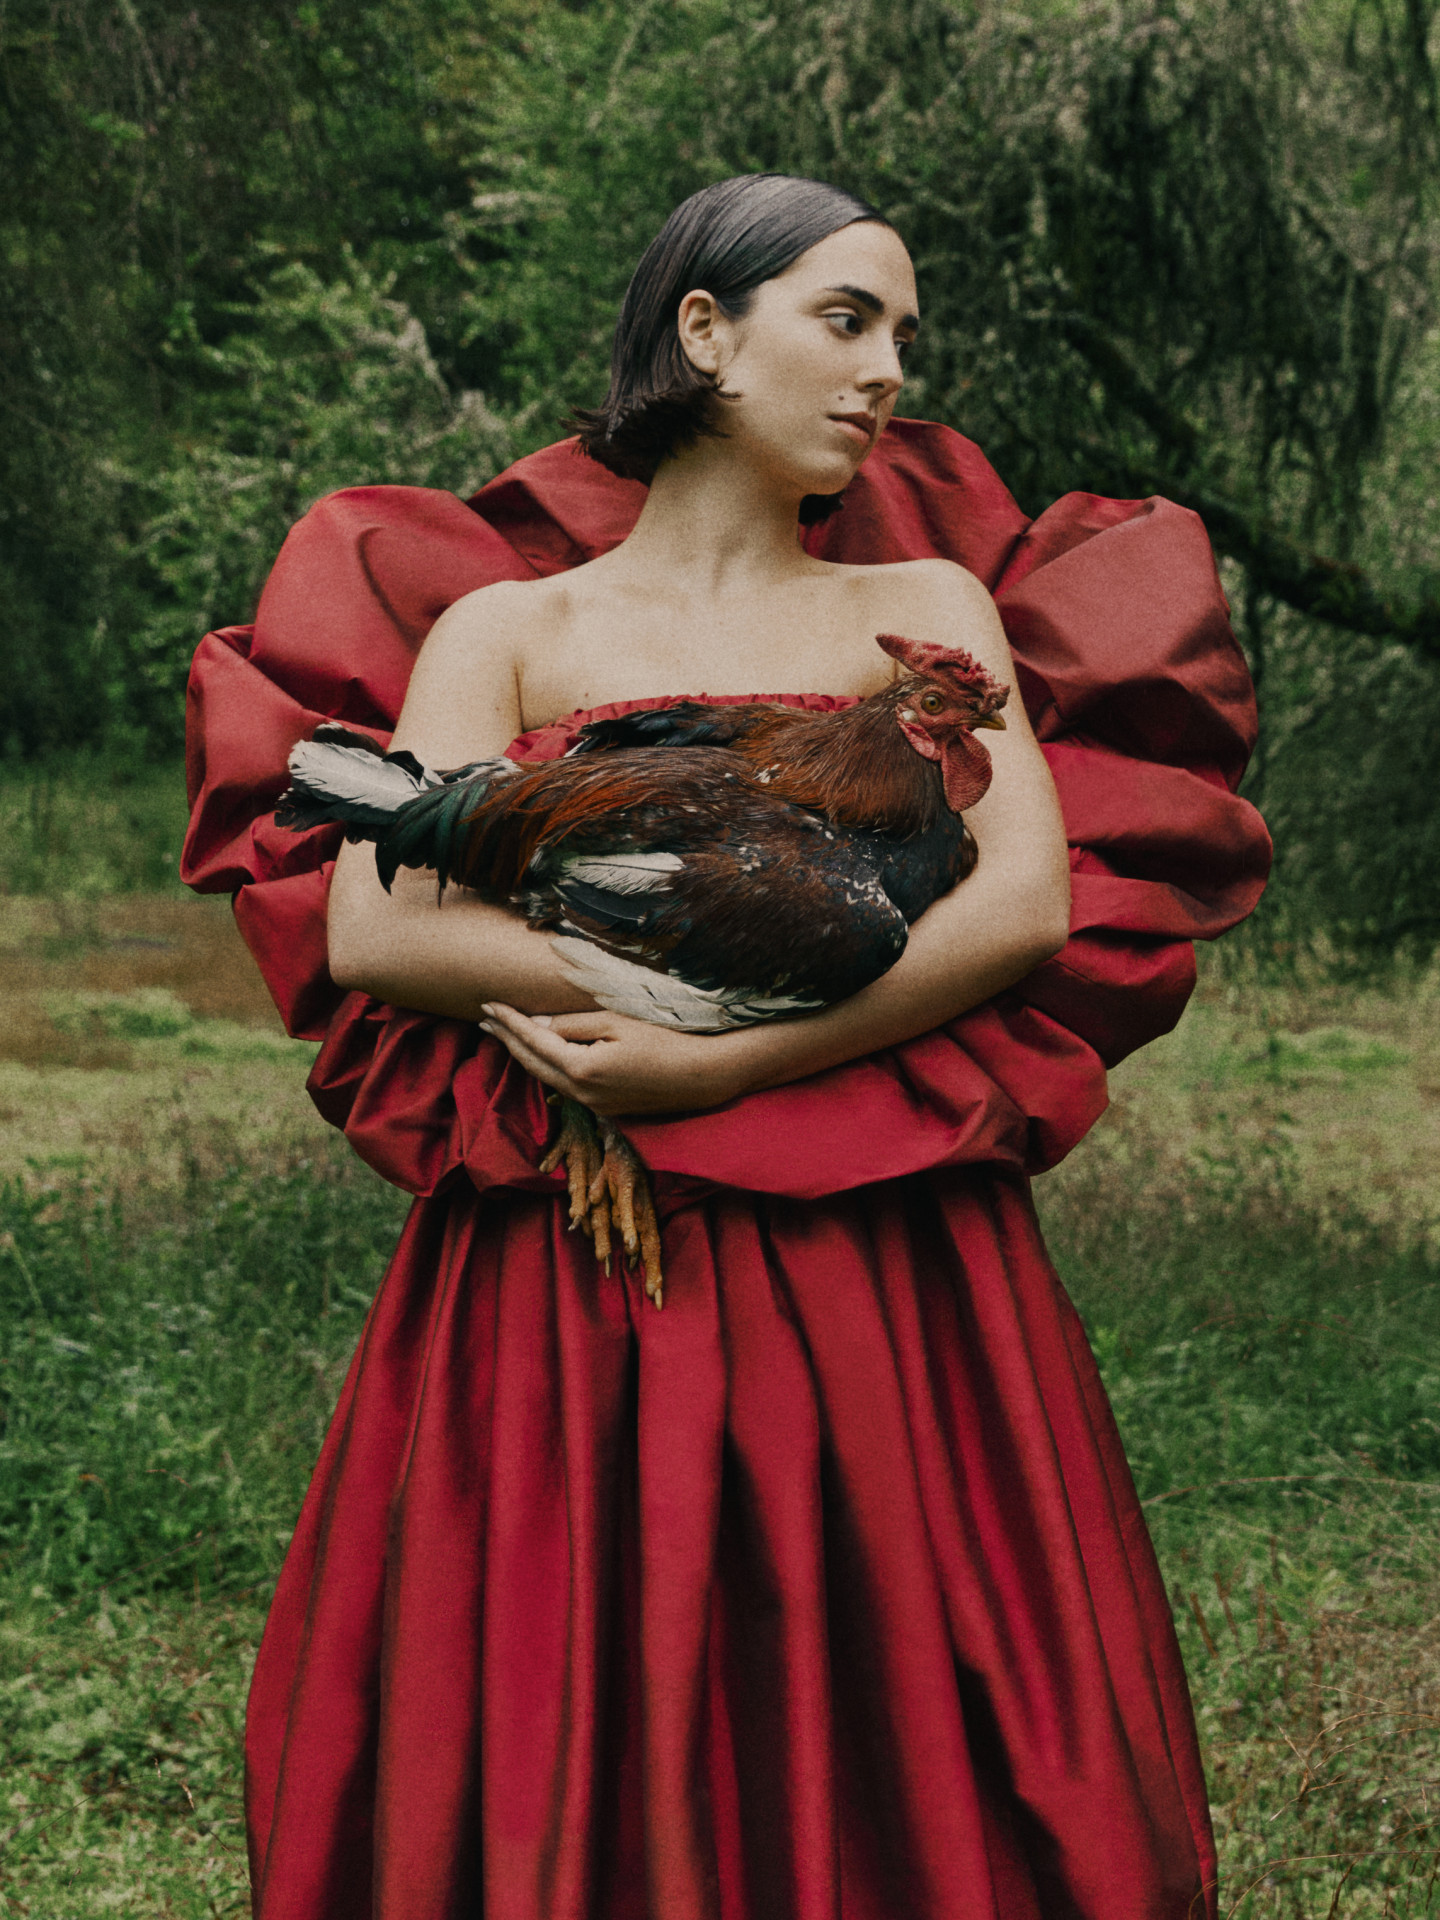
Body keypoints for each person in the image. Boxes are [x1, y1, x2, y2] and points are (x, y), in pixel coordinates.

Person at [183, 173, 1270, 1919]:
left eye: (904, 335)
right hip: (569, 1267)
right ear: (705, 331)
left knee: (910, 1669)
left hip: (884, 1256)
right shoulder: (509, 630)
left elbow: (1019, 909)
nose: (888, 371)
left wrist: (721, 1063)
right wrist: (633, 976)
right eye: (847, 320)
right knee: (570, 1657)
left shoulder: (915, 608)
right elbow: (379, 925)